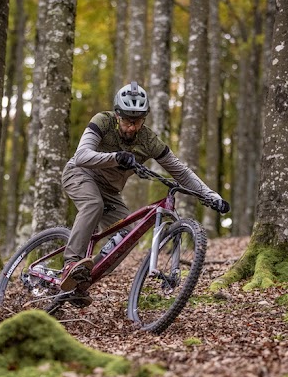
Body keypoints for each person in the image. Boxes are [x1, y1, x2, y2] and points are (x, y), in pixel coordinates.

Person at [60, 81, 230, 305]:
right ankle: (71, 263)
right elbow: (82, 156)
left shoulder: (148, 140)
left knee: (127, 236)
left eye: (137, 121)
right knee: (93, 204)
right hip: (80, 174)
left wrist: (211, 196)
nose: (131, 127)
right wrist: (116, 157)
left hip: (110, 190)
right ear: (117, 116)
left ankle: (82, 282)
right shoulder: (102, 121)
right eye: (127, 121)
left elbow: (180, 171)